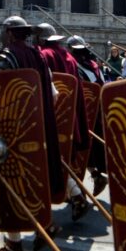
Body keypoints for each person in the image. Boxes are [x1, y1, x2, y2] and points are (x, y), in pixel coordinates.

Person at [0, 16, 63, 251]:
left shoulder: (4, 58)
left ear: (9, 33)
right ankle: (48, 224)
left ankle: (13, 246)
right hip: (39, 129)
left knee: (10, 186)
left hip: (13, 133)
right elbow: (54, 95)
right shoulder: (40, 57)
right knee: (35, 177)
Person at [32, 23, 92, 221]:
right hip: (69, 113)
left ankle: (72, 197)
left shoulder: (44, 55)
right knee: (59, 157)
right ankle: (75, 195)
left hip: (51, 113)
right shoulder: (69, 57)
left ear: (40, 39)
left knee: (47, 159)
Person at [66, 35, 108, 197]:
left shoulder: (75, 65)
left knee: (78, 146)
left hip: (83, 111)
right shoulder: (94, 64)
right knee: (90, 147)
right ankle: (94, 176)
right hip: (97, 111)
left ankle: (76, 190)